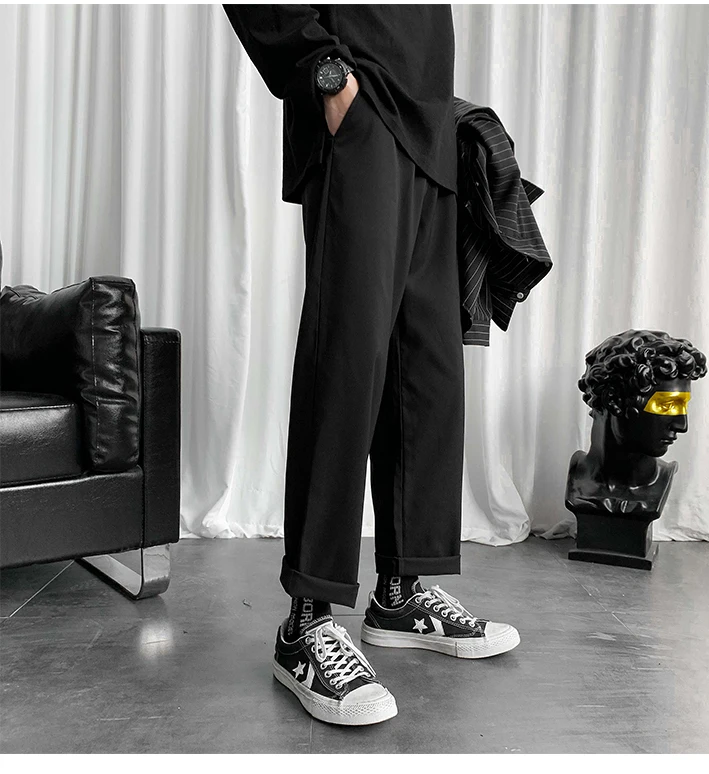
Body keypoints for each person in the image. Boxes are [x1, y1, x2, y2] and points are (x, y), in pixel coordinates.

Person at [223, 4, 520, 726]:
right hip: (362, 104)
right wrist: (325, 75)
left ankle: (400, 592)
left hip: (431, 116)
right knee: (347, 361)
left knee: (429, 367)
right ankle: (307, 620)